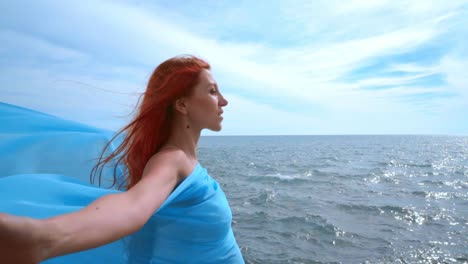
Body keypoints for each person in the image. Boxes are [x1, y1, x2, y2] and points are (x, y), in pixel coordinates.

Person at [0, 55, 244, 263]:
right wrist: (44, 238)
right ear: (181, 104)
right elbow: (133, 206)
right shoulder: (172, 160)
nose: (223, 101)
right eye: (212, 91)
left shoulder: (185, 161)